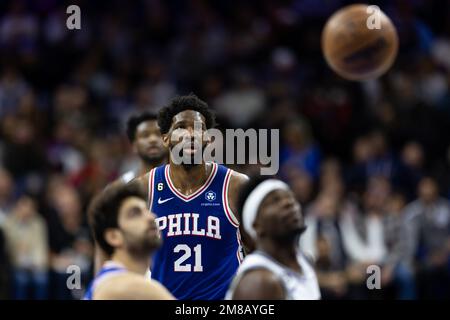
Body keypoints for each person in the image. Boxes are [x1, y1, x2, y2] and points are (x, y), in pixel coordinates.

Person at [131, 94, 248, 300]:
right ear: (165, 138)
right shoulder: (143, 189)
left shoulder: (235, 186)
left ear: (208, 138)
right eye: (181, 127)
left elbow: (260, 251)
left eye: (198, 128)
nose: (190, 134)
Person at [94, 112, 167, 273]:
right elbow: (102, 246)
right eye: (145, 135)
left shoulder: (185, 187)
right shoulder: (117, 189)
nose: (153, 139)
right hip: (135, 276)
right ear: (133, 145)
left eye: (158, 134)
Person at [226, 176, 321, 300]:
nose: (289, 203)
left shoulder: (304, 261)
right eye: (275, 201)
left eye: (290, 197)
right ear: (256, 225)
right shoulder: (258, 282)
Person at [84, 183, 173, 300]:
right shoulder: (117, 286)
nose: (151, 217)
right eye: (135, 214)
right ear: (114, 237)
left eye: (147, 210)